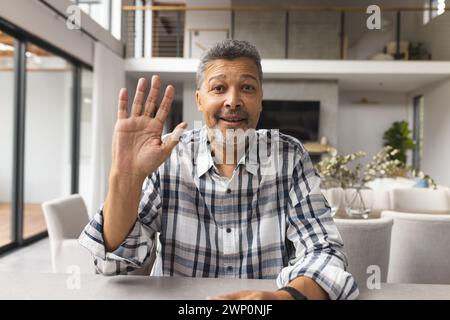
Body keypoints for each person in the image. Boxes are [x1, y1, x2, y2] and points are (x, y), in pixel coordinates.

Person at [79, 39, 358, 300]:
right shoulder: (167, 155)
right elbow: (112, 269)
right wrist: (125, 178)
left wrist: (282, 298)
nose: (233, 101)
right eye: (219, 88)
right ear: (199, 99)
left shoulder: (289, 156)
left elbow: (324, 250)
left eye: (247, 88)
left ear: (261, 99)